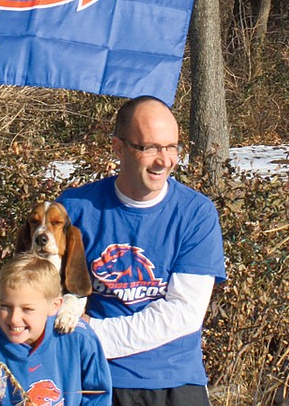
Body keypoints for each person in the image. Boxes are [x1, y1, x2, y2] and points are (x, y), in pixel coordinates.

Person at [57, 95, 227, 406]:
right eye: (149, 148)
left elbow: (183, 314)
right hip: (92, 380)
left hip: (173, 382)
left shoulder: (195, 214)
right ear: (118, 148)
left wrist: (90, 334)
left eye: (172, 147)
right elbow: (38, 290)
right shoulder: (75, 208)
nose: (164, 160)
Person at [0, 253, 112, 406]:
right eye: (6, 307)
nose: (14, 318)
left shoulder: (79, 339)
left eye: (27, 309)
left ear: (54, 306)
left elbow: (98, 395)